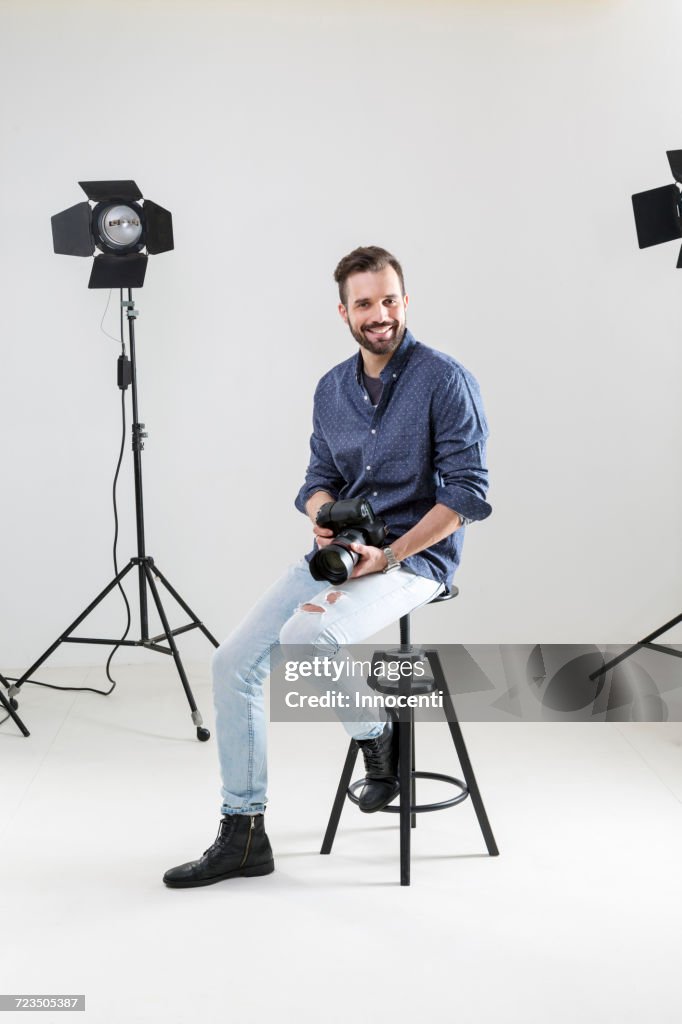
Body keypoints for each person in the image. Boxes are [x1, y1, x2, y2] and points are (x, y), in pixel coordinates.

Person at [163, 246, 491, 888]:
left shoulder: (443, 379)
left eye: (390, 299)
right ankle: (246, 833)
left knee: (308, 635)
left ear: (405, 300)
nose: (380, 314)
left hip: (415, 559)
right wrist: (322, 509)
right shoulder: (332, 388)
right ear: (344, 312)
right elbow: (317, 477)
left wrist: (388, 554)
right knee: (232, 662)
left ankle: (379, 740)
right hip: (340, 551)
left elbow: (467, 495)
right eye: (365, 303)